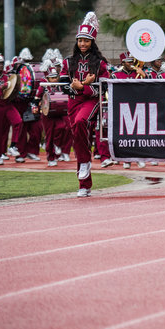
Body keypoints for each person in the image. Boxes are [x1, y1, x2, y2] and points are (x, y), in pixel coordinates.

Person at [60, 12, 111, 197]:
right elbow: (63, 85)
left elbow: (104, 87)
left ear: (92, 42)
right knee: (78, 136)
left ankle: (84, 163)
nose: (83, 44)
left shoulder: (100, 63)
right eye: (80, 40)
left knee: (82, 122)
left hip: (91, 101)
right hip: (73, 103)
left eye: (86, 41)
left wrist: (84, 87)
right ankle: (84, 183)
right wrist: (78, 87)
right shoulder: (68, 61)